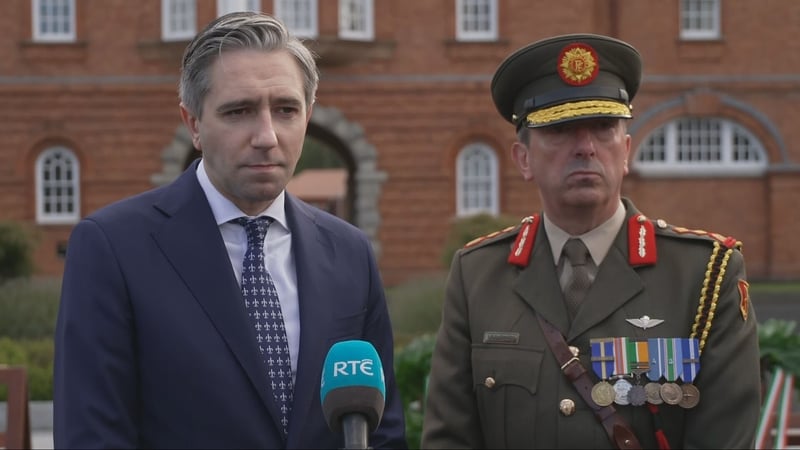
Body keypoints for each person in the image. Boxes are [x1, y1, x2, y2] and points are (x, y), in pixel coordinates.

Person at [53, 12, 406, 449]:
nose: (267, 135)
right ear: (194, 123)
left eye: (286, 110)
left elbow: (383, 430)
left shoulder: (349, 250)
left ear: (308, 114)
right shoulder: (112, 248)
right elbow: (93, 435)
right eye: (239, 111)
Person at [421, 33, 761, 449]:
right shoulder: (478, 275)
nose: (586, 148)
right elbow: (450, 438)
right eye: (561, 130)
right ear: (523, 159)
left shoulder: (704, 274)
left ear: (626, 150)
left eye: (603, 128)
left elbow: (725, 437)